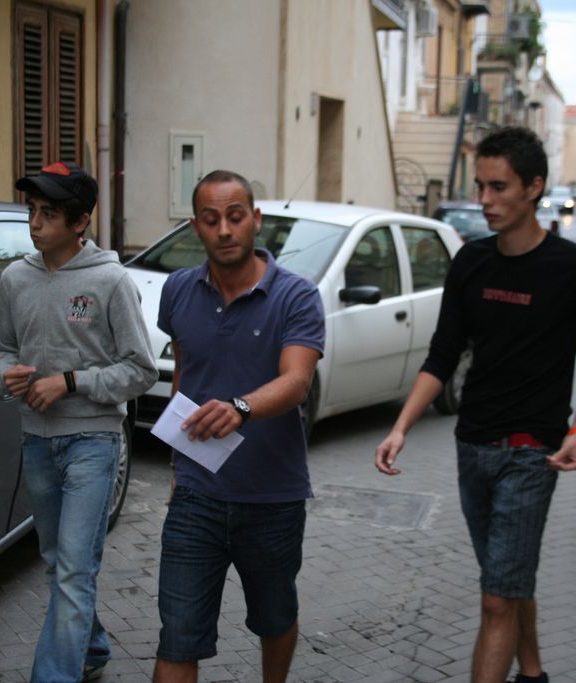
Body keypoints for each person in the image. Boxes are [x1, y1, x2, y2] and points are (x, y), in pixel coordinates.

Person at [374, 127, 576, 683]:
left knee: (496, 599)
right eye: (480, 186)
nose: (484, 199)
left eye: (498, 187)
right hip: (473, 448)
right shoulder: (471, 262)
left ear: (534, 187)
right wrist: (401, 426)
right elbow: (442, 354)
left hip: (532, 454)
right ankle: (532, 672)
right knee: (505, 579)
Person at [152, 169, 325, 683]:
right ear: (195, 227)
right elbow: (186, 373)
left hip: (272, 498)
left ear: (255, 219)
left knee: (275, 619)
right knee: (177, 637)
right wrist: (176, 465)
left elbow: (297, 381)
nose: (224, 230)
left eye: (234, 216)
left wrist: (241, 408)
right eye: (211, 219)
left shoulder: (296, 296)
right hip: (196, 495)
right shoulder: (178, 290)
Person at [0, 161, 158, 683]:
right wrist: (6, 376)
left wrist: (70, 382)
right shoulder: (15, 278)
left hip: (93, 442)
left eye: (48, 214)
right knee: (59, 562)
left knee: (73, 570)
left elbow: (141, 370)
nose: (35, 223)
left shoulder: (111, 281)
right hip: (36, 442)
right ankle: (94, 647)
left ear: (80, 222)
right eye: (32, 211)